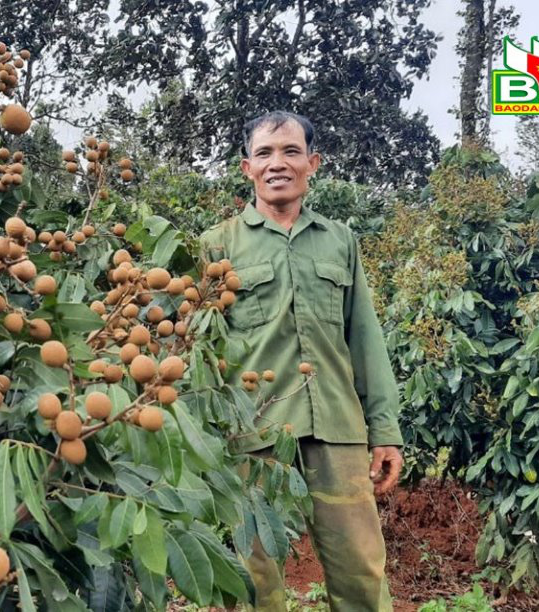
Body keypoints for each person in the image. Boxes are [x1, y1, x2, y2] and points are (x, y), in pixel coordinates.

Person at [198, 111, 404, 611]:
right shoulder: (216, 245)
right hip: (254, 435)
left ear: (312, 163)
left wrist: (385, 430)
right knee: (256, 578)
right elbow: (202, 349)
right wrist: (207, 439)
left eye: (291, 152)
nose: (277, 164)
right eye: (264, 153)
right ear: (246, 167)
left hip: (338, 430)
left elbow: (365, 337)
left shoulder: (339, 240)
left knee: (361, 569)